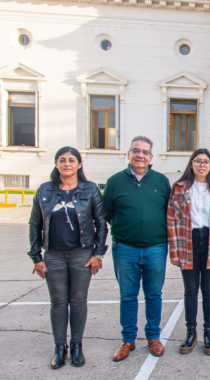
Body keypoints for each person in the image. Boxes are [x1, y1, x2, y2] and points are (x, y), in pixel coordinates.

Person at [28, 147, 107, 369]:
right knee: (59, 302)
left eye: (72, 160)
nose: (67, 164)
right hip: (53, 255)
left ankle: (76, 346)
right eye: (62, 160)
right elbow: (34, 224)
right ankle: (60, 347)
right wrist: (36, 256)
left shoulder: (90, 189)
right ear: (56, 164)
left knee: (79, 300)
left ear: (79, 165)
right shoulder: (45, 190)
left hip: (81, 253)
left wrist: (98, 254)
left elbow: (101, 222)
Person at [103, 136, 171, 361]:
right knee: (128, 296)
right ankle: (128, 340)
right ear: (129, 154)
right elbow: (108, 213)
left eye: (145, 152)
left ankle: (153, 336)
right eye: (136, 151)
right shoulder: (114, 182)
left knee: (154, 294)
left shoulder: (161, 182)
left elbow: (167, 213)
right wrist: (126, 230)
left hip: (156, 248)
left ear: (151, 157)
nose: (140, 155)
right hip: (125, 248)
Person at [167, 149, 210, 355]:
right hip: (189, 241)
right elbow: (171, 221)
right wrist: (174, 251)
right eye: (198, 161)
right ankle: (190, 332)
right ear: (192, 164)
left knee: (209, 290)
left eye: (206, 162)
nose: (202, 165)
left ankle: (208, 333)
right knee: (190, 289)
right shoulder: (180, 188)